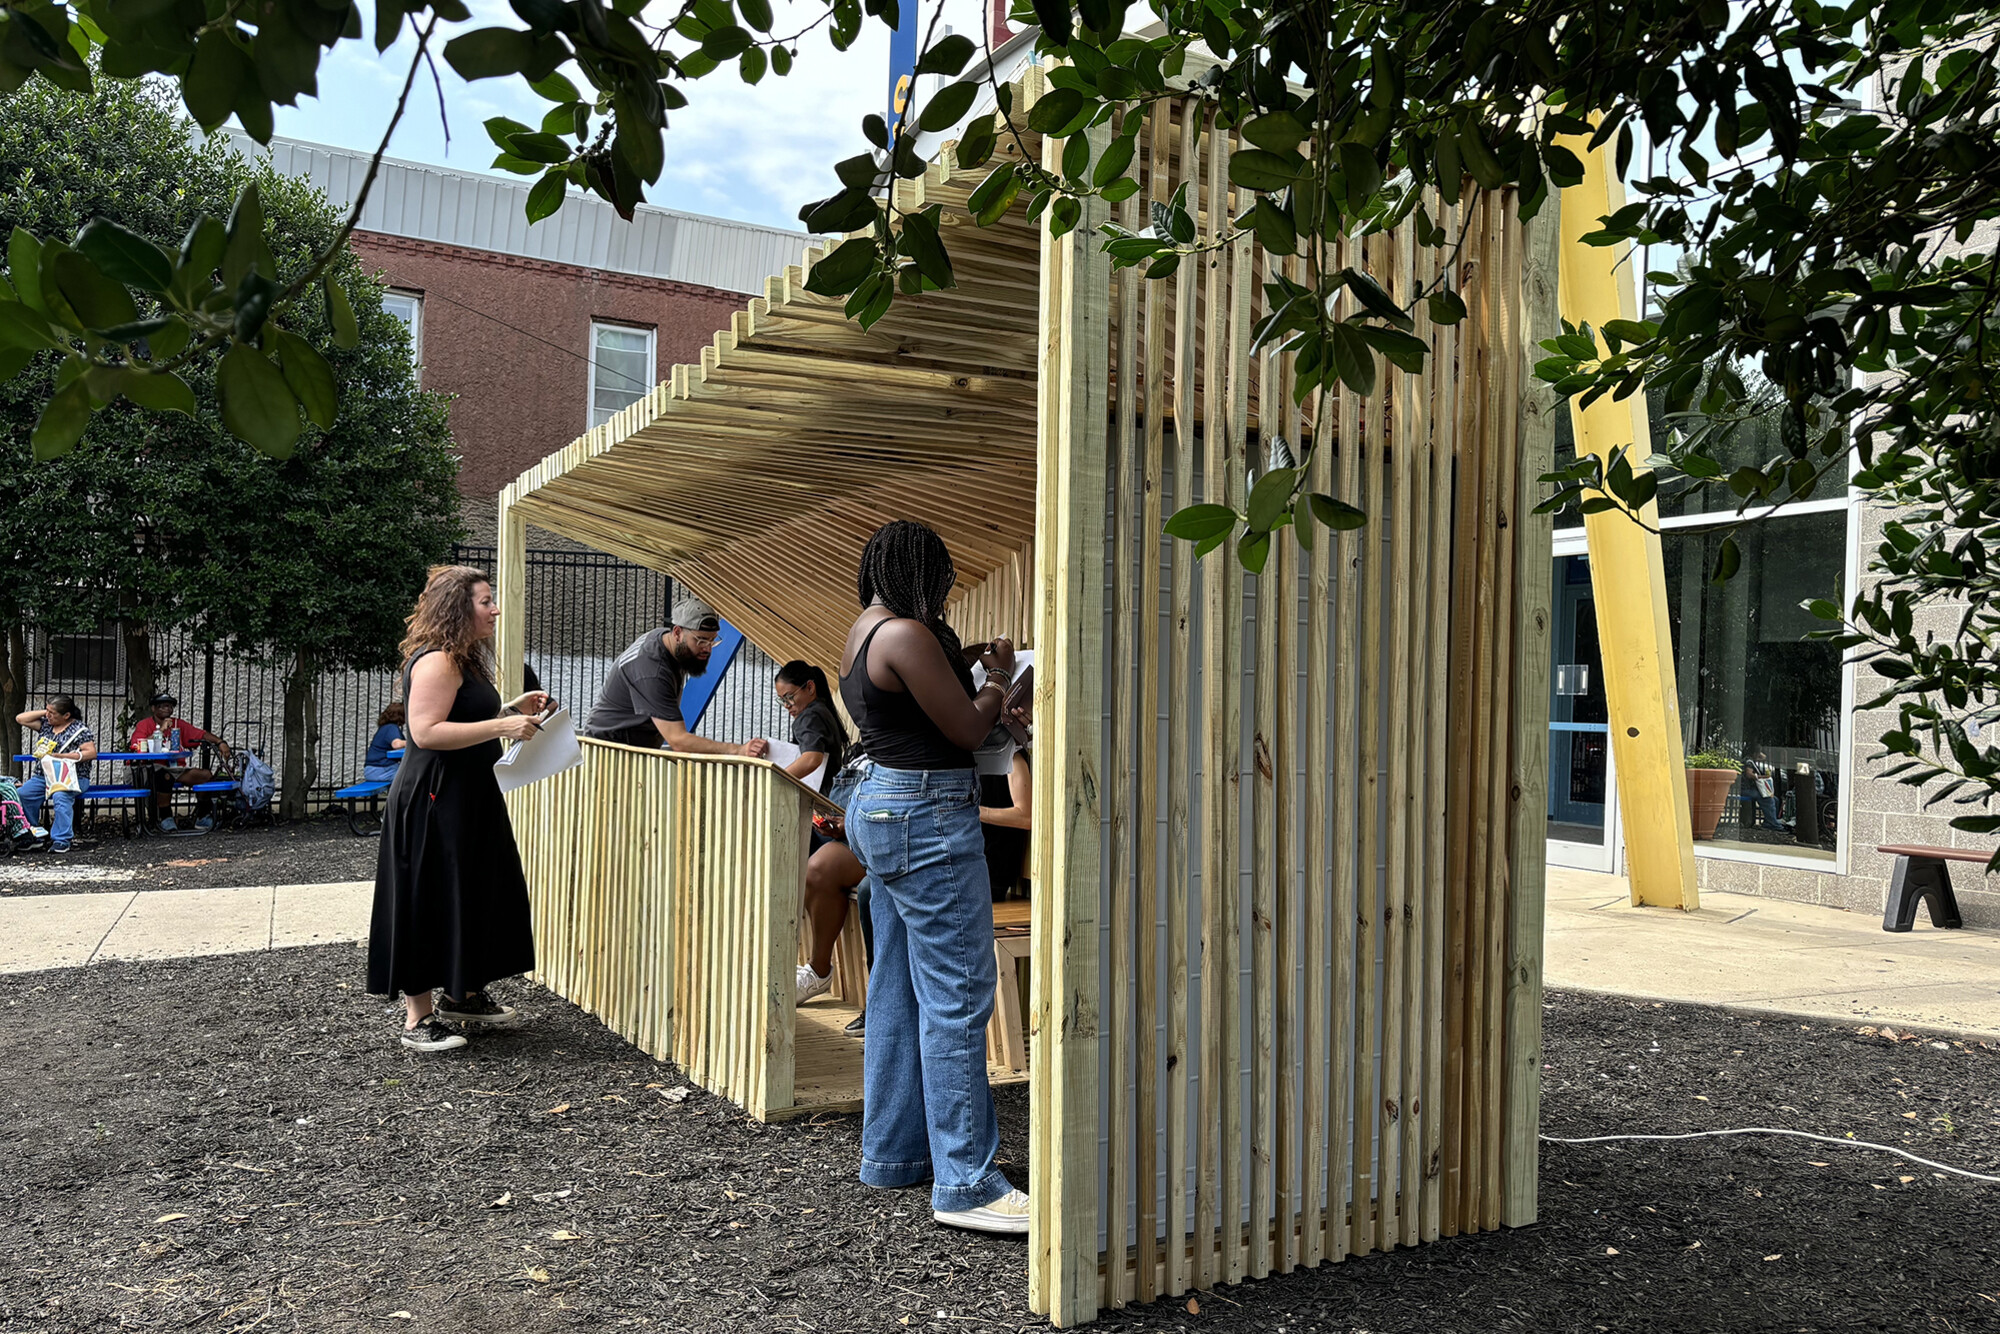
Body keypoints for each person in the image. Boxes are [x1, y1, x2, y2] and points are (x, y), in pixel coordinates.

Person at [838, 518, 1029, 1236]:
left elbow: (915, 695)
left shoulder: (868, 626)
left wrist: (972, 656)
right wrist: (1001, 681)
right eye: (943, 582)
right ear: (924, 574)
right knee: (958, 994)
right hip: (926, 812)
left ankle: (893, 1152)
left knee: (897, 985)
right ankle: (967, 1183)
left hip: (881, 804)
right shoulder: (909, 636)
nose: (947, 595)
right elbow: (966, 730)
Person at [367, 565, 549, 1053]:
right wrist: (501, 729)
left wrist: (510, 711)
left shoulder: (463, 660)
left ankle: (462, 995)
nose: (494, 609)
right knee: (427, 893)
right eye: (485, 600)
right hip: (434, 797)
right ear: (457, 608)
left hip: (467, 795)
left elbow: (465, 719)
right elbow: (426, 732)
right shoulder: (438, 661)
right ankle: (417, 1019)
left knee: (469, 891)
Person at [582, 593, 769, 758]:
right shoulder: (652, 671)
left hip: (629, 748)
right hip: (606, 753)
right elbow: (677, 740)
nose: (707, 648)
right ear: (678, 632)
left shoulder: (666, 642)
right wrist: (737, 750)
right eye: (701, 640)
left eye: (712, 641)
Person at [780, 659, 858, 1007]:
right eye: (782, 701)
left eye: (790, 697)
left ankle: (809, 965)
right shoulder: (824, 711)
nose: (788, 707)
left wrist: (774, 778)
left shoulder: (810, 716)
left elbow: (811, 758)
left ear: (810, 687)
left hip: (826, 815)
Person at [130, 694, 233, 831]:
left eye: (170, 705)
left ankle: (202, 817)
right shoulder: (144, 725)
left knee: (205, 776)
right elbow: (138, 745)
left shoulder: (178, 724)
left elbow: (201, 734)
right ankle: (165, 818)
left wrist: (220, 742)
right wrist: (161, 730)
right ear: (153, 708)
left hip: (175, 767)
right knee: (164, 776)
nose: (167, 708)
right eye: (162, 705)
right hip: (151, 767)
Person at [14, 696, 95, 855]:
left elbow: (91, 752)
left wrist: (63, 756)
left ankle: (62, 839)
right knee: (23, 794)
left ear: (66, 716)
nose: (48, 716)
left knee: (60, 795)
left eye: (53, 713)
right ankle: (33, 834)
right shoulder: (46, 726)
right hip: (44, 776)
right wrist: (48, 711)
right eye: (47, 711)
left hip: (72, 777)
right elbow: (20, 718)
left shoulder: (79, 729)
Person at [977, 700, 1033, 898]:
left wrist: (975, 812)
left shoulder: (1012, 758)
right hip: (976, 862)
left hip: (992, 870)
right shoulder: (976, 757)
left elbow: (1025, 816)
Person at [364, 702, 407, 783]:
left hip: (372, 770)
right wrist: (412, 742)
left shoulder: (384, 728)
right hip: (382, 769)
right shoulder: (391, 727)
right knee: (413, 775)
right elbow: (396, 744)